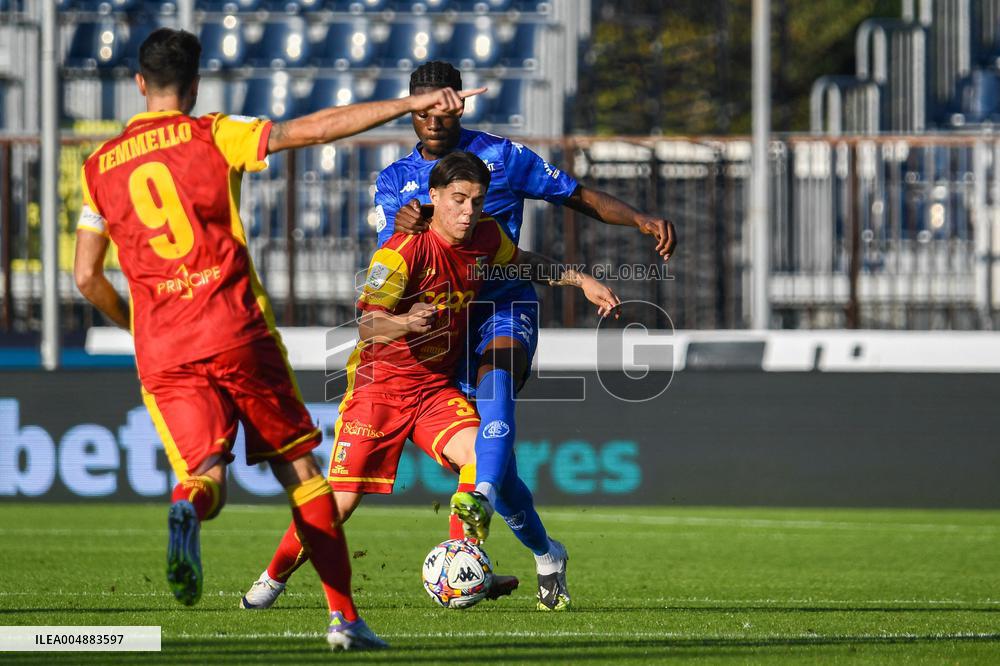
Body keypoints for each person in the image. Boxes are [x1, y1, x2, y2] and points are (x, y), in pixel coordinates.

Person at [72, 29, 482, 651]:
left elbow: (84, 275)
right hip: (234, 327)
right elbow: (311, 131)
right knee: (301, 470)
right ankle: (344, 619)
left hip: (162, 346)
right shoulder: (211, 133)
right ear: (197, 83)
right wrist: (405, 105)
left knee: (205, 469)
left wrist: (135, 323)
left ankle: (191, 502)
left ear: (138, 84)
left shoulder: (99, 165)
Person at [240, 152, 620, 613]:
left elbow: (522, 262)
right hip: (380, 389)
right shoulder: (400, 251)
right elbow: (365, 327)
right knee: (338, 505)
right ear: (434, 196)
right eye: (458, 199)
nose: (467, 212)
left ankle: (466, 562)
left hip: (433, 388)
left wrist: (579, 280)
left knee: (482, 459)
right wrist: (404, 323)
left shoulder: (485, 237)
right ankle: (271, 580)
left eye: (477, 202)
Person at [380, 61, 677, 610]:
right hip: (444, 324)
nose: (433, 119)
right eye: (422, 110)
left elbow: (574, 194)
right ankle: (546, 553)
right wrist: (402, 229)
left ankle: (472, 519)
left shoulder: (502, 157)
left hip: (505, 304)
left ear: (459, 105)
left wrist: (638, 219)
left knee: (497, 398)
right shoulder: (393, 180)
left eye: (442, 108)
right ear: (411, 109)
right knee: (500, 465)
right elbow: (390, 255)